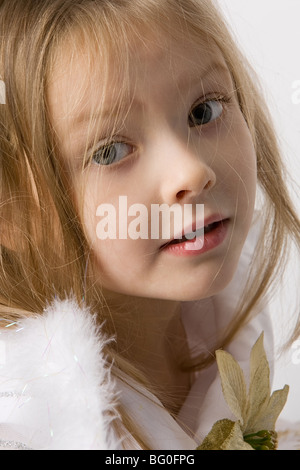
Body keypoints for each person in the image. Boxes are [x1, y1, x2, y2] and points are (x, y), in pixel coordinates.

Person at [0, 0, 299, 450]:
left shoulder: (242, 337)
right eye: (110, 151)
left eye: (204, 111)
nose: (191, 173)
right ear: (15, 214)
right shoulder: (22, 426)